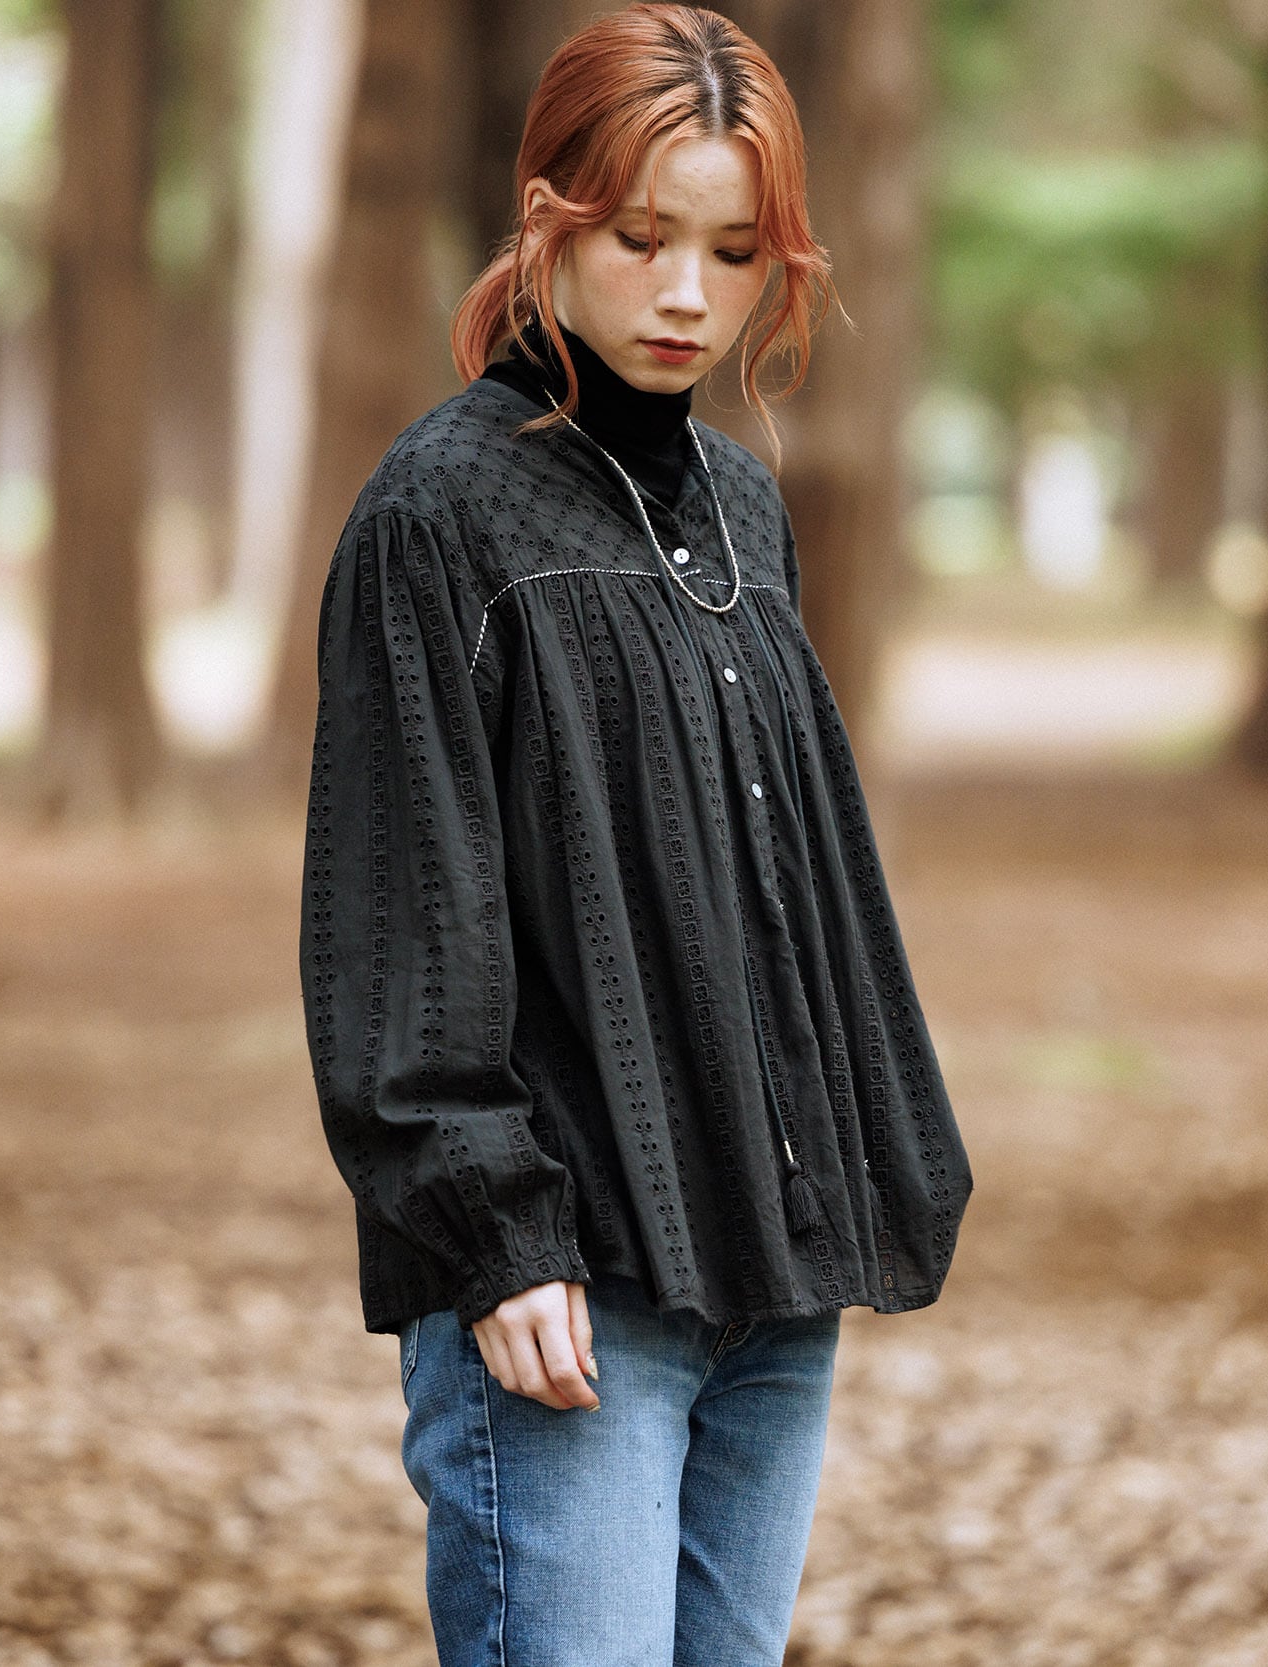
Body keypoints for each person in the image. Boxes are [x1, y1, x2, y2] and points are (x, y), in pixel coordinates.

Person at [296, 7, 972, 1663]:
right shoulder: (440, 513)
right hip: (570, 1297)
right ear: (549, 221)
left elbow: (782, 882)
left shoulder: (742, 507)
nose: (687, 294)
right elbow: (403, 910)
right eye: (642, 238)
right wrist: (498, 1241)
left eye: (734, 253)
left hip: (771, 1281)